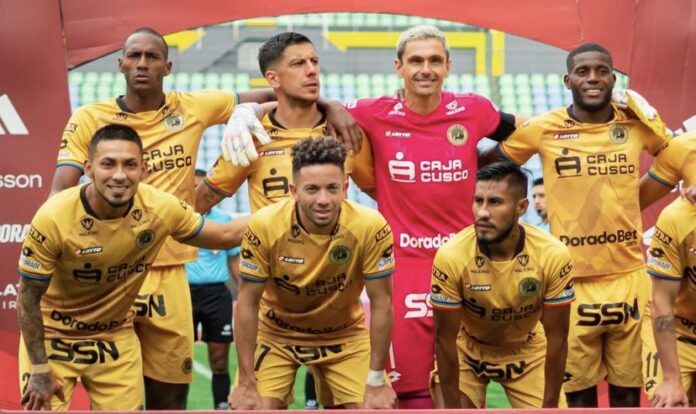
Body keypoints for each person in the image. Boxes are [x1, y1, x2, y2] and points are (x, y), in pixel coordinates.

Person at [48, 27, 277, 409]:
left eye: (152, 57)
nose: (142, 64)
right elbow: (60, 193)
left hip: (170, 272)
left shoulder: (192, 106)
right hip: (110, 272)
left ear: (167, 67)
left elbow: (278, 96)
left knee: (170, 397)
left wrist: (251, 111)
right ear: (120, 63)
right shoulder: (89, 117)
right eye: (134, 56)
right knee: (112, 392)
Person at [486, 43, 671, 407]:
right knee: (578, 398)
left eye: (601, 71)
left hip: (628, 279)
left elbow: (675, 158)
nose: (593, 78)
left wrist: (635, 199)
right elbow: (488, 164)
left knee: (627, 395)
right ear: (567, 80)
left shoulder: (634, 124)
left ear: (613, 79)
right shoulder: (544, 128)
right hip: (570, 283)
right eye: (582, 71)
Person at [17, 125, 249, 410]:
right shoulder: (54, 217)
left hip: (115, 338)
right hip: (54, 338)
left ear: (144, 169)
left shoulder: (160, 207)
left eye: (129, 164)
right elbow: (27, 297)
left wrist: (286, 211)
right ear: (89, 169)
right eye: (108, 164)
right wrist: (39, 368)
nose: (119, 175)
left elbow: (224, 236)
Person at [228, 137, 396, 410]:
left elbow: (382, 302)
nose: (323, 200)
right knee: (251, 408)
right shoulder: (265, 224)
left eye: (332, 188)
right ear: (294, 191)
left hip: (344, 334)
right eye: (312, 189)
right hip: (276, 333)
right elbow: (247, 302)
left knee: (376, 408)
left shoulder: (371, 225)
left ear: (345, 188)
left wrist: (376, 379)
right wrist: (247, 381)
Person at [431, 161, 574, 408]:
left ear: (521, 207)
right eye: (478, 201)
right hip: (468, 349)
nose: (482, 213)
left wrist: (549, 409)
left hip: (528, 350)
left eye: (495, 202)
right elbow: (444, 339)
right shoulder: (451, 255)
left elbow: (558, 338)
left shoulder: (552, 254)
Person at [194, 31, 373, 216]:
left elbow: (384, 196)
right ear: (273, 78)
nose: (312, 70)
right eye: (298, 63)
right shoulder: (251, 135)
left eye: (314, 61)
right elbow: (196, 206)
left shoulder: (345, 130)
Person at [185, 169, 241, 410]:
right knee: (178, 362)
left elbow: (235, 262)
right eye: (192, 187)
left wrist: (248, 296)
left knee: (219, 361)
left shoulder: (225, 221)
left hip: (217, 296)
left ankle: (221, 407)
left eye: (201, 187)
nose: (197, 192)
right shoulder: (177, 219)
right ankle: (176, 407)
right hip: (183, 295)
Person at [641, 196, 696, 407]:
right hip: (675, 331)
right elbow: (661, 302)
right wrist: (671, 379)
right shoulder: (676, 217)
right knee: (669, 404)